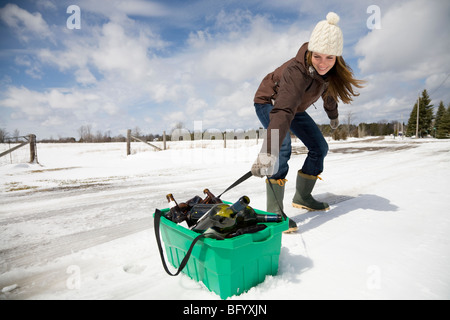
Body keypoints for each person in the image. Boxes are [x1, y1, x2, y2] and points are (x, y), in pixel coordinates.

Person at [251, 12, 365, 232]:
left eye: (330, 58)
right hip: (270, 102)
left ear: (337, 58)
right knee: (282, 148)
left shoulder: (329, 73)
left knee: (319, 147)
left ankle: (303, 196)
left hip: (295, 108)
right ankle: (274, 213)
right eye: (318, 56)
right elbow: (283, 110)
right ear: (311, 51)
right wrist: (269, 152)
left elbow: (329, 96)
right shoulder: (296, 71)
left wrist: (333, 117)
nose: (323, 63)